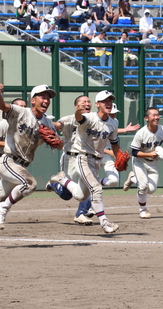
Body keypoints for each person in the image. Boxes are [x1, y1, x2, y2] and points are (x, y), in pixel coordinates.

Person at [0, 84, 58, 248]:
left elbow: (59, 142)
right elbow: (1, 105)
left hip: (21, 166)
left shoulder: (47, 123)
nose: (46, 100)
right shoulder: (22, 112)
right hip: (8, 160)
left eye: (48, 98)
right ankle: (4, 208)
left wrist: (58, 142)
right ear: (33, 100)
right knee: (30, 184)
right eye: (43, 97)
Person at [46, 90, 123, 234]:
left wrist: (119, 156)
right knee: (96, 188)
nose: (108, 103)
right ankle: (105, 223)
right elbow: (79, 118)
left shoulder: (113, 122)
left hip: (97, 161)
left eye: (110, 100)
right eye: (105, 101)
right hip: (82, 158)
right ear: (98, 104)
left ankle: (61, 179)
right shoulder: (89, 118)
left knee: (81, 195)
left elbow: (114, 143)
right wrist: (78, 112)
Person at [122, 107, 163, 219]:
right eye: (153, 115)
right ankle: (143, 210)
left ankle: (132, 178)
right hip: (139, 161)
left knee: (151, 190)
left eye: (157, 115)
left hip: (153, 162)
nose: (157, 117)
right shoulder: (141, 133)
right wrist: (149, 154)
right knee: (143, 186)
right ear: (146, 118)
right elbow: (134, 152)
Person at [0, 98, 27, 223]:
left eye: (24, 106)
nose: (23, 109)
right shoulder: (4, 123)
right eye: (20, 106)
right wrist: (10, 144)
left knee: (13, 187)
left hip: (17, 160)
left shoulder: (27, 124)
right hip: (1, 157)